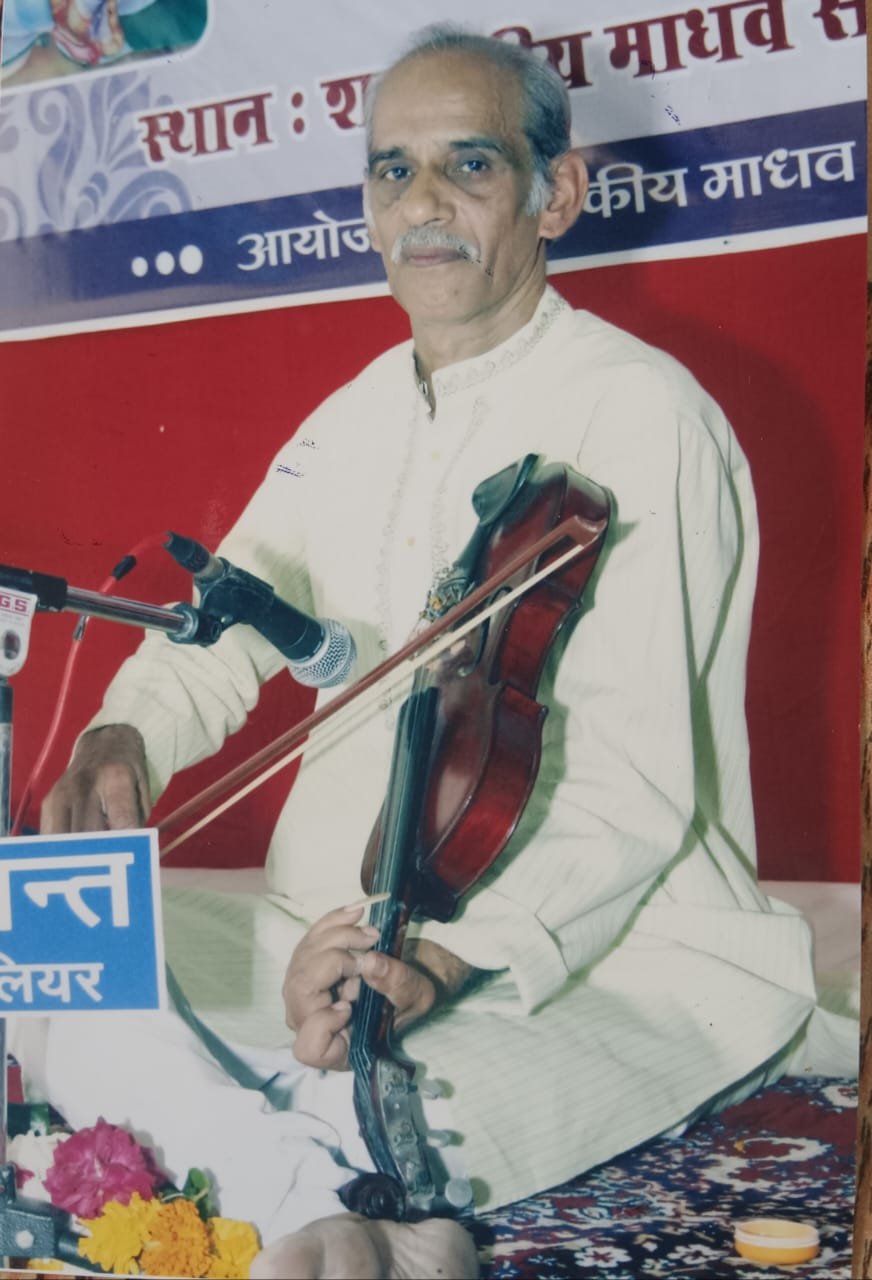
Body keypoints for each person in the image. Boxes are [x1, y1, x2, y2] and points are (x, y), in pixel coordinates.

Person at [16, 23, 855, 1280]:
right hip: (323, 924)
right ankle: (294, 1183)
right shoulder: (348, 417)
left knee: (350, 1104)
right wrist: (123, 730)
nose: (422, 205)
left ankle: (308, 1185)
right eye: (390, 170)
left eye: (466, 164)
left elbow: (632, 785)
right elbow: (228, 627)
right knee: (33, 946)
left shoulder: (639, 413)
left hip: (597, 953)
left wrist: (441, 956)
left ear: (553, 193)